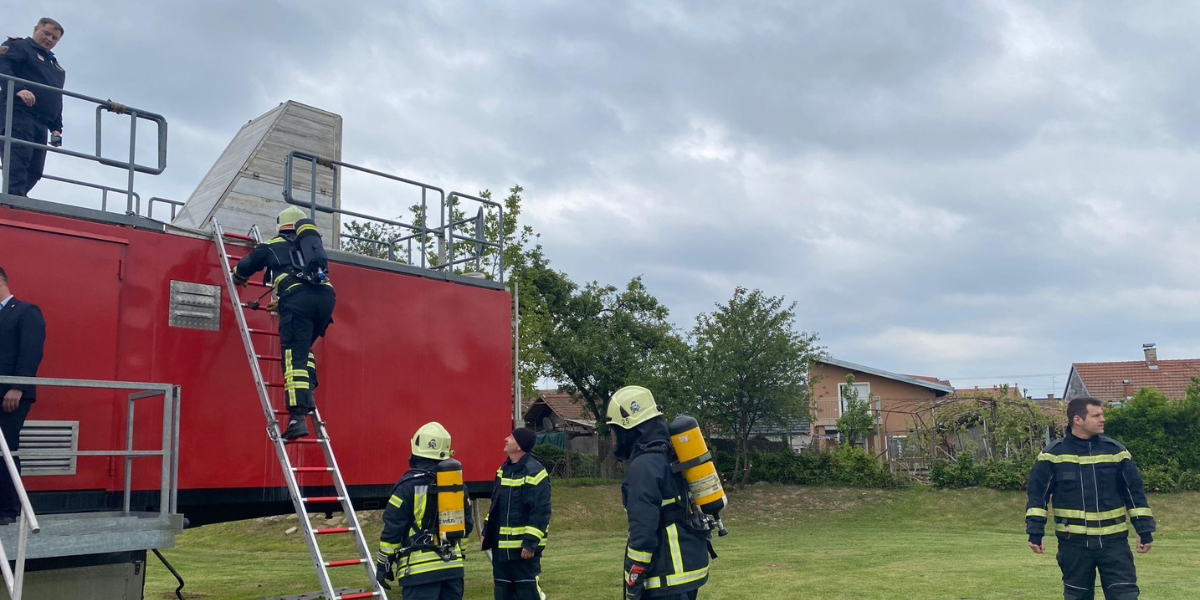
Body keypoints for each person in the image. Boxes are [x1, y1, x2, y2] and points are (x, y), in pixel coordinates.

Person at [1026, 396, 1156, 600]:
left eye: (1102, 414)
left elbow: (1134, 494)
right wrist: (1035, 532)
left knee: (1125, 595)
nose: (1102, 419)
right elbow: (1037, 498)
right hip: (1074, 545)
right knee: (1077, 596)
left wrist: (1145, 529)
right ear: (1078, 419)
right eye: (1096, 415)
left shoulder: (1116, 452)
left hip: (1114, 544)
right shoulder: (1052, 455)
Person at [232, 206, 334, 439]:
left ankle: (298, 418)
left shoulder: (271, 245)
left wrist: (238, 276)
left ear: (281, 225)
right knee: (303, 350)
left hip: (299, 302)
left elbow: (246, 265)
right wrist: (285, 301)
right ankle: (308, 392)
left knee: (293, 357)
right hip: (326, 300)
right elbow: (308, 285)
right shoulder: (311, 250)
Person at [607, 386, 709, 600]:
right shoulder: (671, 453)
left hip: (666, 576)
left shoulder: (643, 466)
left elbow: (643, 532)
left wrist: (632, 579)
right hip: (689, 570)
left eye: (617, 430)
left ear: (630, 429)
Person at [376, 422, 473, 600]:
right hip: (452, 569)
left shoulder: (406, 486)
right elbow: (466, 525)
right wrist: (459, 555)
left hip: (419, 573)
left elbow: (392, 528)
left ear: (415, 450)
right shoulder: (457, 486)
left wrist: (384, 564)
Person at [480, 427, 550, 600]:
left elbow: (540, 512)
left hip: (522, 553)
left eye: (510, 437)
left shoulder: (535, 472)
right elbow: (495, 507)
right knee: (502, 594)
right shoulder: (502, 470)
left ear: (519, 446)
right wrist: (486, 532)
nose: (506, 439)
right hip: (501, 554)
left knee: (527, 594)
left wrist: (529, 544)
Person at [0, 266, 46, 525]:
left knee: (5, 448)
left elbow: (31, 351)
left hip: (11, 395)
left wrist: (17, 386)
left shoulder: (26, 311)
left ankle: (7, 509)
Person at [0, 18, 65, 197]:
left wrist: (57, 127)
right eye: (47, 34)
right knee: (18, 159)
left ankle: (16, 198)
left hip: (42, 122)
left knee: (35, 170)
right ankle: (13, 199)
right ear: (36, 29)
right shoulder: (19, 47)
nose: (50, 39)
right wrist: (19, 89)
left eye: (55, 38)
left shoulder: (56, 67)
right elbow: (2, 67)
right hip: (19, 113)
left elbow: (55, 96)